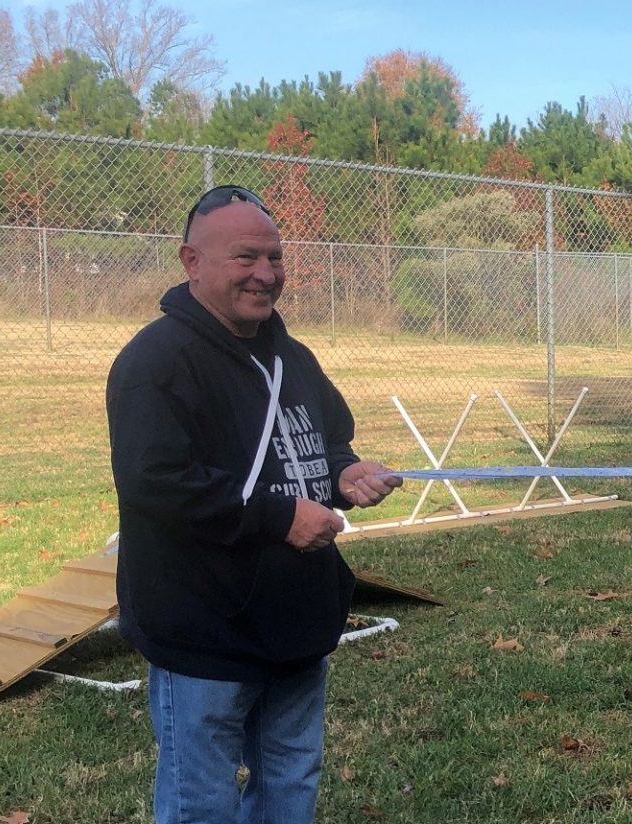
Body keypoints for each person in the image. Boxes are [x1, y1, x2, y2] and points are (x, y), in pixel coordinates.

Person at [107, 184, 403, 823]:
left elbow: (326, 443)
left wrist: (344, 474)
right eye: (246, 258)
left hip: (296, 619)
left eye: (274, 257)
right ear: (191, 261)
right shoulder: (156, 363)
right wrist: (281, 516)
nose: (266, 275)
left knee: (289, 784)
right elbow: (156, 482)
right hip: (204, 628)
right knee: (200, 803)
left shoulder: (292, 355)